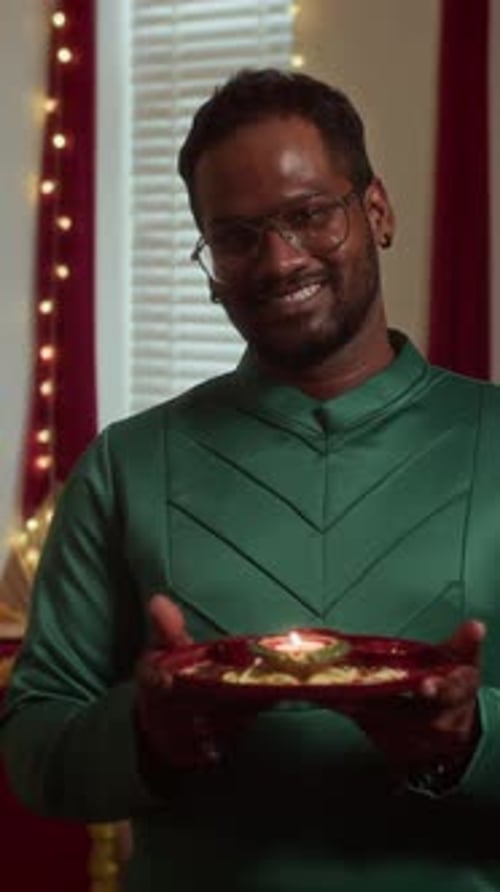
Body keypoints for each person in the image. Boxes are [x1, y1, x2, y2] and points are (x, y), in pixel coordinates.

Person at [1, 68, 499, 892]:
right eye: (235, 236)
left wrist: (468, 735)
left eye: (309, 215)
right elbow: (34, 743)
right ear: (209, 263)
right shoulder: (128, 466)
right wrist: (148, 736)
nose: (277, 259)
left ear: (375, 212)